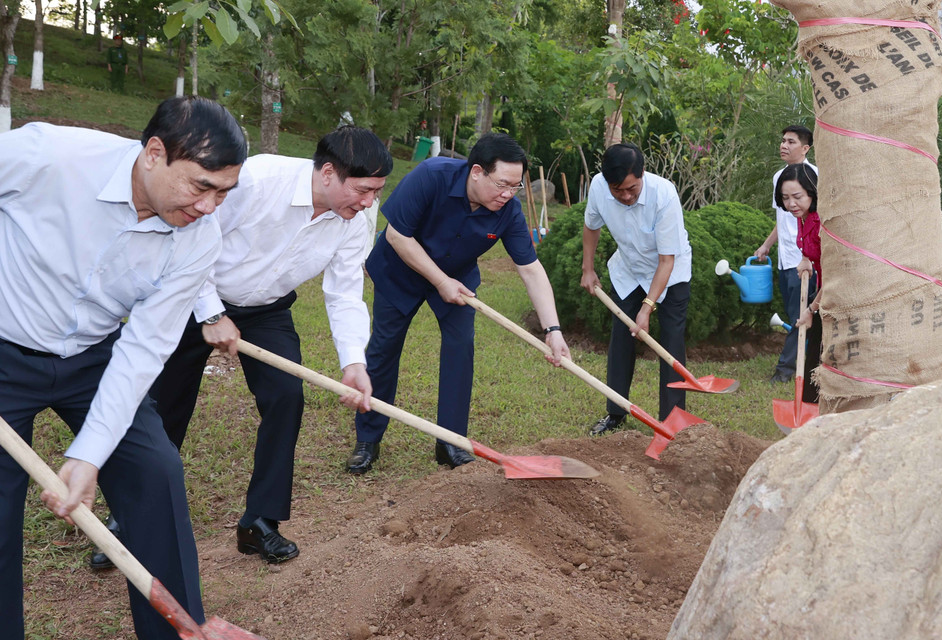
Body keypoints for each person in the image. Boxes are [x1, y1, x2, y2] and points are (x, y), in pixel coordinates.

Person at [0, 97, 246, 640]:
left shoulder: (199, 238)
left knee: (155, 471)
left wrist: (89, 454)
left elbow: (144, 348)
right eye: (201, 186)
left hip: (95, 358)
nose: (209, 206)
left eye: (224, 193)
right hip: (5, 348)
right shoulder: (50, 156)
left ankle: (178, 632)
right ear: (154, 153)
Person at [146, 126, 392, 565]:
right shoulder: (257, 181)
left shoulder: (356, 219)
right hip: (194, 292)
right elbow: (190, 240)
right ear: (328, 173)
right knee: (167, 403)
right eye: (363, 190)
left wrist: (354, 362)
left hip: (267, 309)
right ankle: (136, 514)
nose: (369, 202)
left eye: (377, 192)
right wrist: (211, 313)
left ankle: (259, 522)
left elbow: (344, 291)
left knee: (285, 397)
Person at [347, 132, 570, 474]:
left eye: (515, 187)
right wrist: (440, 281)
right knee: (384, 348)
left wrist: (553, 329)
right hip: (399, 272)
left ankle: (450, 441)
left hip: (458, 279)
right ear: (477, 171)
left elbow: (530, 269)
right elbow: (397, 235)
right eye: (502, 184)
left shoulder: (508, 211)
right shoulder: (430, 176)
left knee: (460, 349)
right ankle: (368, 439)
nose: (508, 194)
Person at [581, 143, 693, 435]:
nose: (626, 196)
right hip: (629, 269)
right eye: (618, 190)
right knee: (621, 337)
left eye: (632, 188)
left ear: (643, 173)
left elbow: (667, 260)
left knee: (670, 344)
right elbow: (591, 226)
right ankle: (616, 412)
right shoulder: (598, 187)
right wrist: (588, 269)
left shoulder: (663, 194)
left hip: (671, 272)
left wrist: (647, 307)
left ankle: (671, 421)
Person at [754, 125, 818, 384]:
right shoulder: (779, 177)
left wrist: (810, 256)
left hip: (807, 260)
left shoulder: (814, 176)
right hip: (786, 257)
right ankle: (806, 363)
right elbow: (782, 219)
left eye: (791, 142)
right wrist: (767, 245)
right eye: (783, 141)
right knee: (796, 313)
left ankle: (785, 370)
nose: (784, 145)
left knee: (801, 315)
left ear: (805, 148)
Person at [780, 164, 822, 403]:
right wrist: (806, 258)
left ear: (812, 193)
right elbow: (807, 244)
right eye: (786, 198)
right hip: (823, 289)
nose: (791, 204)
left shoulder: (822, 221)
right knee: (814, 357)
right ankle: (809, 407)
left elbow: (835, 275)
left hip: (835, 292)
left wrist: (811, 310)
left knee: (820, 357)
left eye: (797, 197)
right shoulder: (802, 216)